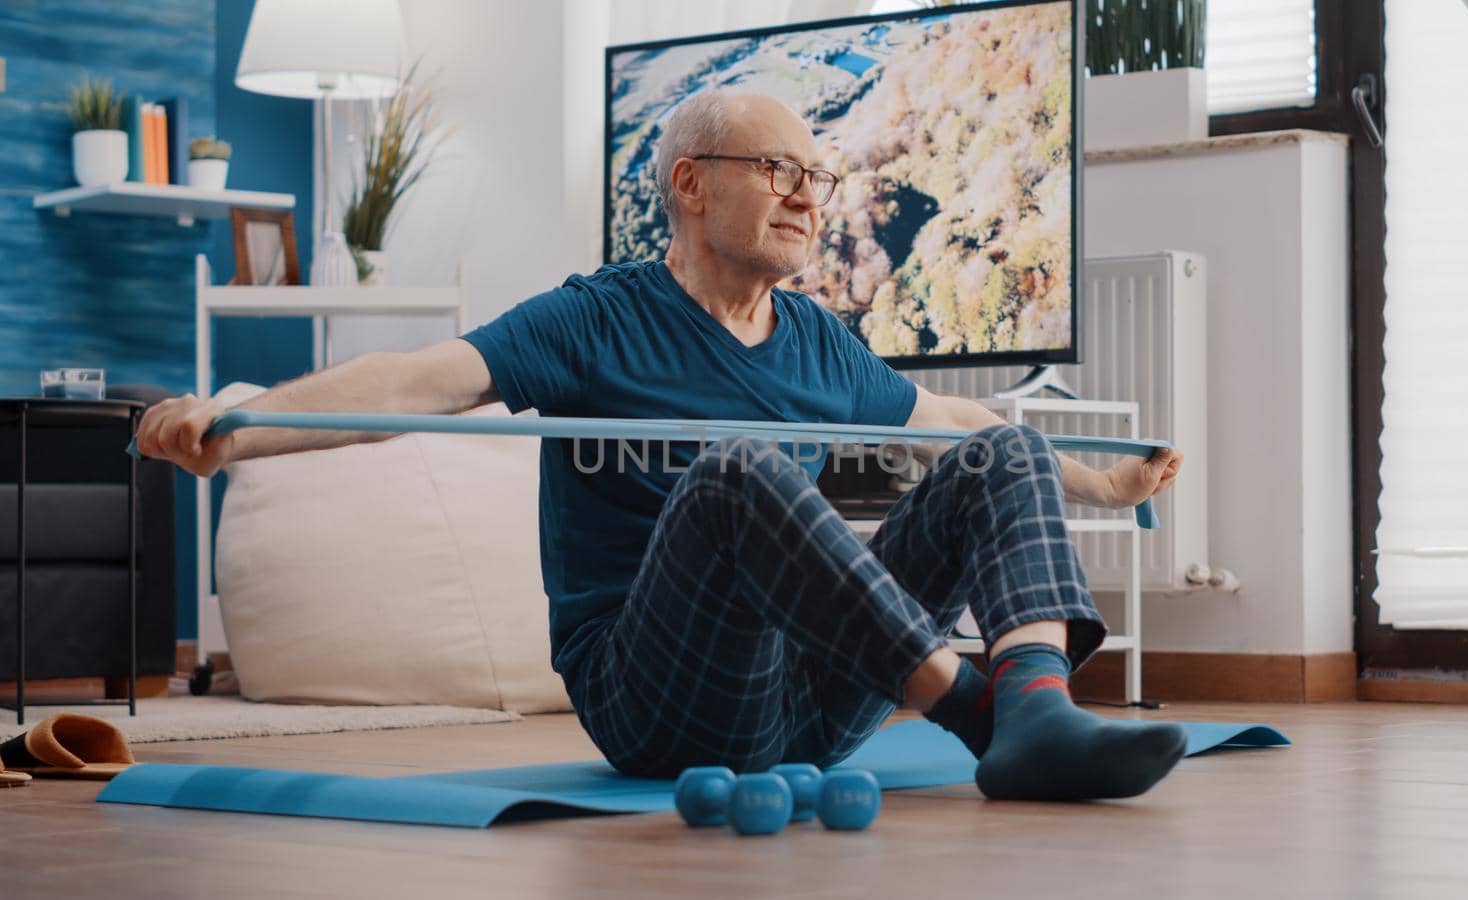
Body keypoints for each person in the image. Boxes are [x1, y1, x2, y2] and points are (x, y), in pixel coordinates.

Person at [138, 92, 1188, 801]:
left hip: (815, 699)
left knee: (996, 447)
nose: (806, 199)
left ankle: (1036, 711)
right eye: (779, 169)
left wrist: (1098, 478)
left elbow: (953, 428)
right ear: (690, 184)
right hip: (658, 702)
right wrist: (236, 430)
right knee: (737, 467)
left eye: (814, 179)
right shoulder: (593, 319)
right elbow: (418, 379)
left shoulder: (820, 341)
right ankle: (976, 716)